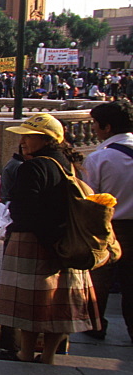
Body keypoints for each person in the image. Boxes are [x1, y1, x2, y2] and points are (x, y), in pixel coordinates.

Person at [0, 113, 100, 364]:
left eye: (29, 136)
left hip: (33, 241)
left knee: (31, 302)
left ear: (46, 139)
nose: (23, 142)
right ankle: (48, 354)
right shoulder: (67, 165)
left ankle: (26, 352)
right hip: (64, 239)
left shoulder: (34, 166)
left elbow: (23, 208)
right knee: (58, 302)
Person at [81, 99, 133, 342]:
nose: (92, 128)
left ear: (107, 127)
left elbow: (90, 199)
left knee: (100, 278)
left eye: (94, 124)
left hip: (110, 225)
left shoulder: (99, 159)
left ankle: (95, 323)